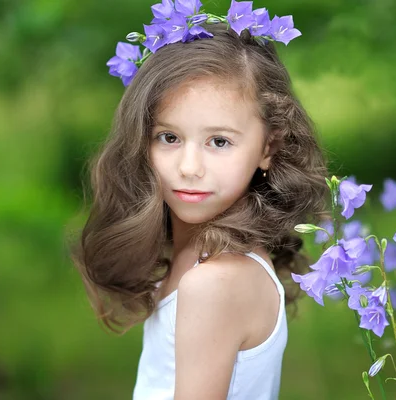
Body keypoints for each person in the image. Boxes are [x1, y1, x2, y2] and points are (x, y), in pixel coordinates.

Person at [71, 1, 329, 399]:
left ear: (268, 147)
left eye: (219, 141)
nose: (189, 167)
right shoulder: (204, 258)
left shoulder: (214, 283)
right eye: (169, 137)